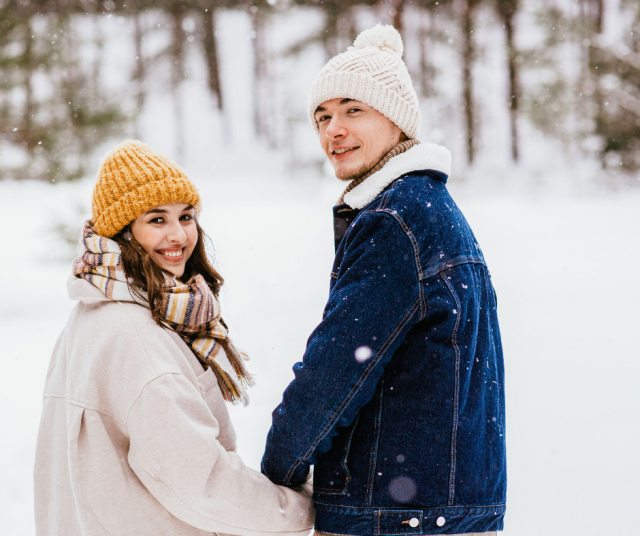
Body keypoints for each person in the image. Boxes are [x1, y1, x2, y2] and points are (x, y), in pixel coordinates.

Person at [261, 25, 506, 536]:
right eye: (322, 116)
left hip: (392, 514)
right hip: (446, 507)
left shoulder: (395, 220)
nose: (333, 130)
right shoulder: (433, 210)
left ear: (397, 121)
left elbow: (336, 369)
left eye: (353, 110)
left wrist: (277, 469)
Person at [34, 140, 314, 536]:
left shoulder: (94, 310)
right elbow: (203, 485)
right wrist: (302, 507)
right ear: (123, 231)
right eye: (157, 219)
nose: (179, 235)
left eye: (186, 216)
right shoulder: (138, 338)